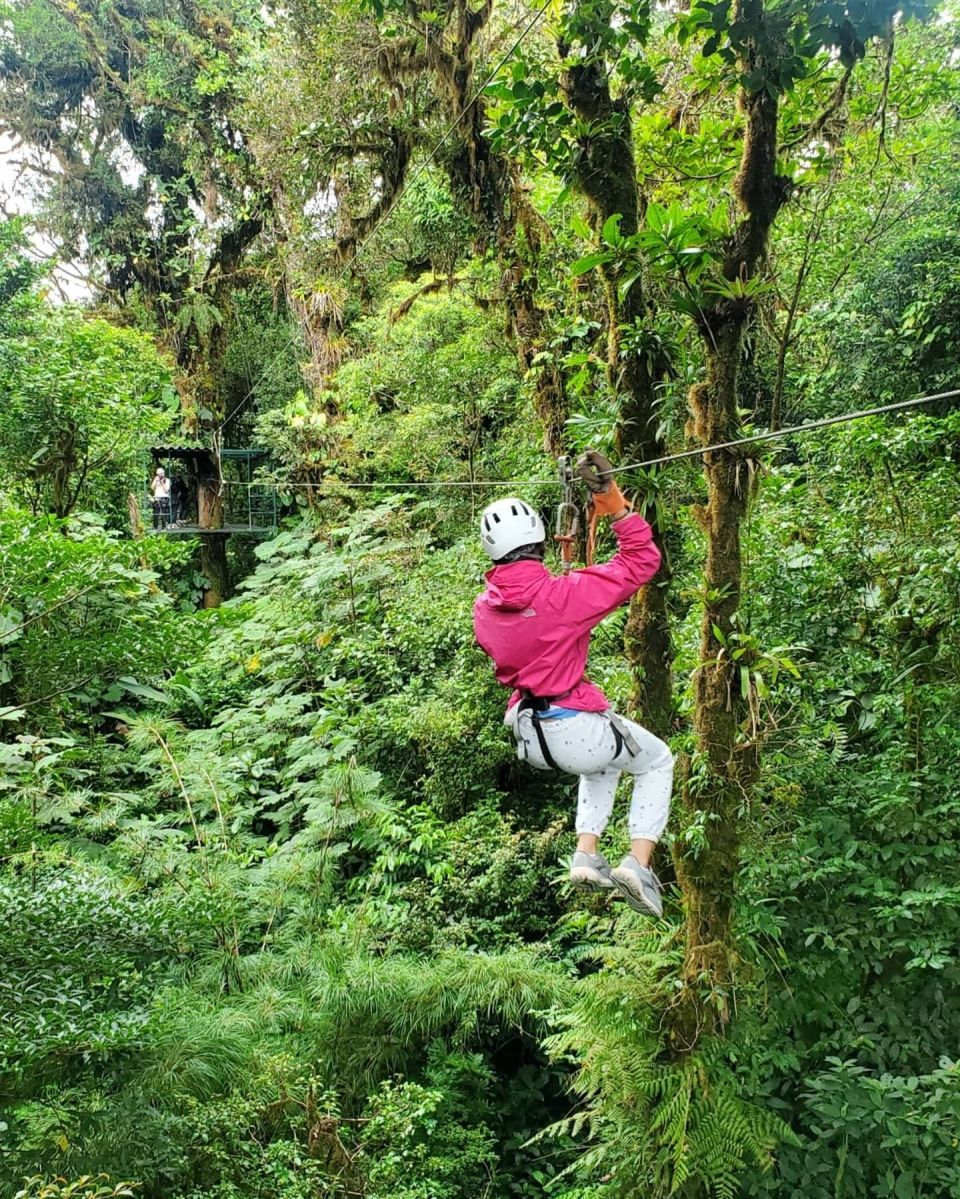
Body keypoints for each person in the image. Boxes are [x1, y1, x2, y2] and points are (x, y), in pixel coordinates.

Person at [473, 452, 674, 917]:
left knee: (601, 762)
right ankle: (638, 864)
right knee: (657, 760)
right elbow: (641, 561)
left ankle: (586, 853)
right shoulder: (564, 595)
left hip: (533, 734)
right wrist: (612, 500)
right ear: (541, 538)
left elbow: (525, 627)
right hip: (572, 723)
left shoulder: (483, 610)